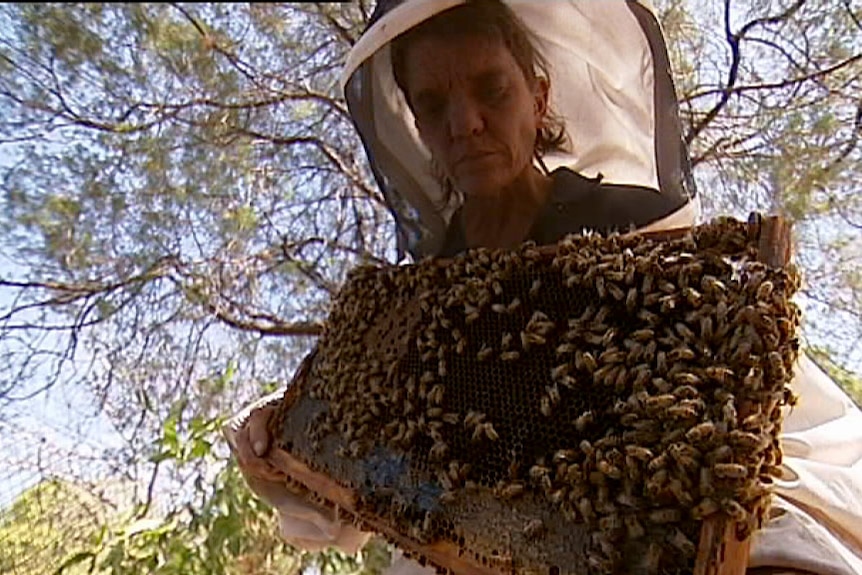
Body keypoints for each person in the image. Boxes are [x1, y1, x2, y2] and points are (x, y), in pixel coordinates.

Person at [227, 2, 862, 574]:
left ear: (538, 97)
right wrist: (279, 449)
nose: (465, 122)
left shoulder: (640, 229)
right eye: (433, 104)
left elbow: (739, 401)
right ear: (417, 124)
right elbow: (387, 482)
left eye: (491, 90)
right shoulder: (408, 307)